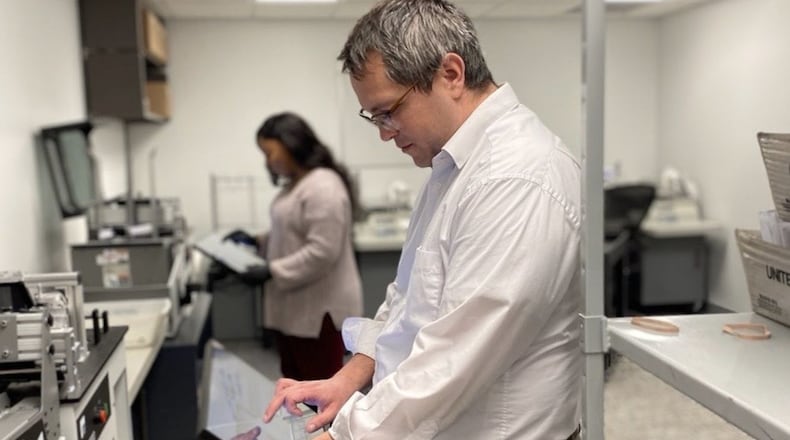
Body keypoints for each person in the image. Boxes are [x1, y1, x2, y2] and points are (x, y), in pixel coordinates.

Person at [263, 1, 582, 438]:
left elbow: (457, 357)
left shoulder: (516, 174)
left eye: (388, 110)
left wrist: (344, 434)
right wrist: (351, 377)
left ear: (451, 74)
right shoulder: (454, 165)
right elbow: (408, 298)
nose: (383, 131)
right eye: (372, 116)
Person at [250, 112, 363, 382]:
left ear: (292, 145)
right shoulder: (297, 185)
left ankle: (327, 428)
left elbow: (322, 251)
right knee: (295, 384)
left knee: (319, 388)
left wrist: (271, 271)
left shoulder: (323, 185)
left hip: (318, 312)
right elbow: (291, 232)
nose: (268, 162)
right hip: (295, 309)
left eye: (270, 152)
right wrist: (256, 241)